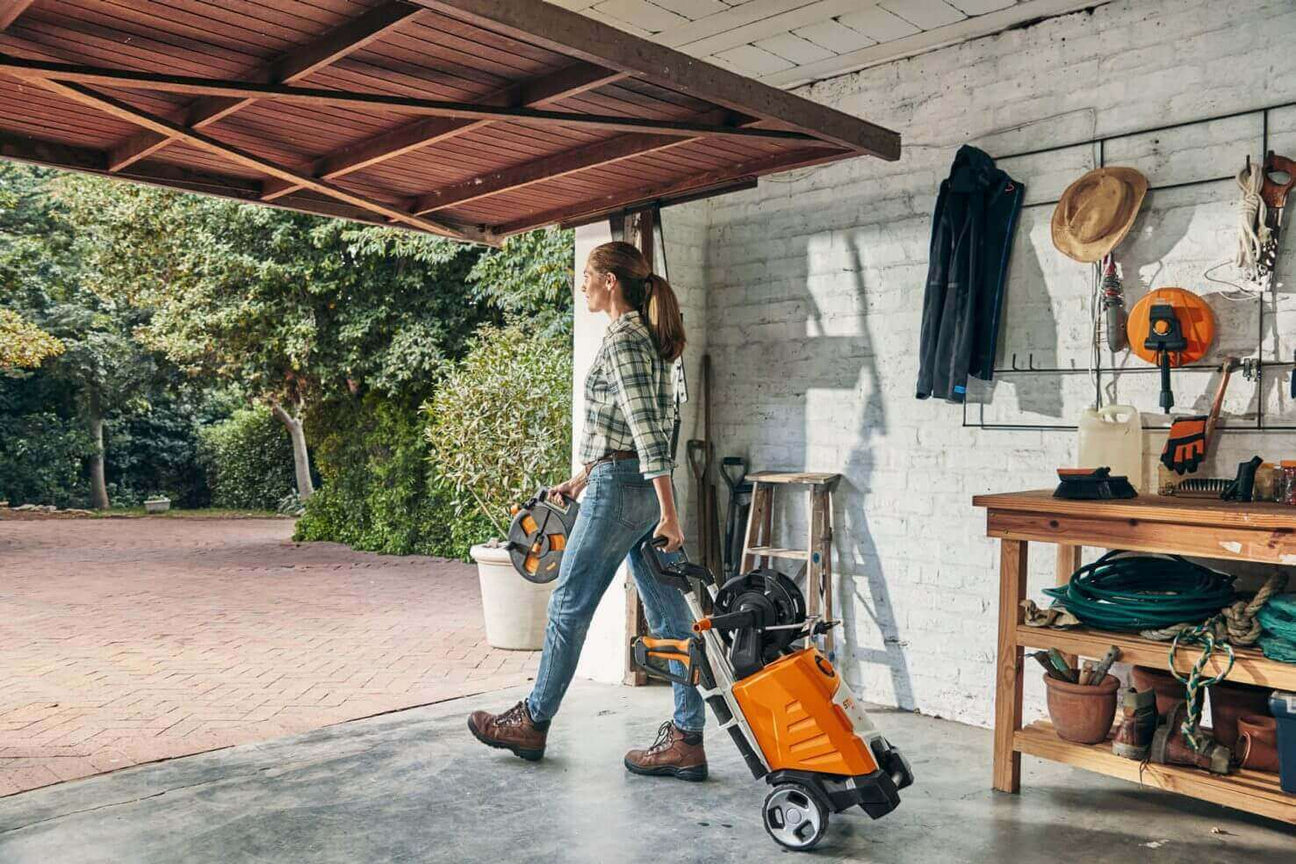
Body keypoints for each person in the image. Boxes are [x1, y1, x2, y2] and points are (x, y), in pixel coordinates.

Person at [468, 241, 707, 781]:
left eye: (588, 276)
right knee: (670, 618)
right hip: (629, 488)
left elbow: (649, 434)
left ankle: (532, 721)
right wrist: (582, 479)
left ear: (611, 283)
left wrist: (671, 514)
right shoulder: (642, 339)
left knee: (568, 605)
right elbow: (625, 431)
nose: (582, 284)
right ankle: (688, 739)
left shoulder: (624, 338)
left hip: (627, 491)